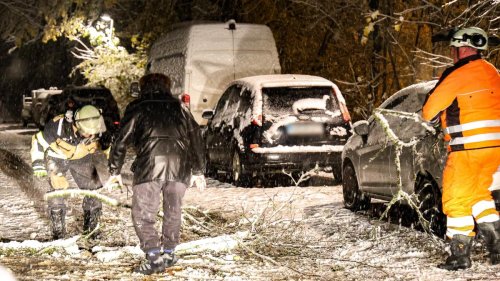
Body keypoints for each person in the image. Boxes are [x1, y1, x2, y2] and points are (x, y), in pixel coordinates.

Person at [106, 73, 206, 275]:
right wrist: (198, 170)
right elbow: (196, 138)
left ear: (143, 88)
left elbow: (121, 140)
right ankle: (169, 252)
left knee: (143, 214)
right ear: (168, 87)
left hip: (149, 167)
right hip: (180, 167)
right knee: (173, 210)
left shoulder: (138, 107)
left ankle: (153, 257)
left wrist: (114, 170)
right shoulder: (180, 108)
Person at [423, 27, 500, 270]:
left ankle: (459, 256)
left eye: (453, 49)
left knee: (456, 199)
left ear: (460, 49)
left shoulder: (456, 74)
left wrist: (435, 116)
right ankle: (497, 247)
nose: (452, 54)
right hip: (494, 151)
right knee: (479, 196)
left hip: (467, 151)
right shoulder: (492, 72)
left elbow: (429, 111)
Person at [31, 104, 108, 239]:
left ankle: (91, 229)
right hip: (57, 157)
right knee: (58, 189)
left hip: (82, 158)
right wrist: (38, 164)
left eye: (93, 133)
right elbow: (38, 141)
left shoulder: (98, 129)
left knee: (94, 189)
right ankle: (58, 231)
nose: (91, 135)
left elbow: (109, 149)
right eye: (87, 132)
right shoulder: (57, 126)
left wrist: (110, 168)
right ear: (76, 125)